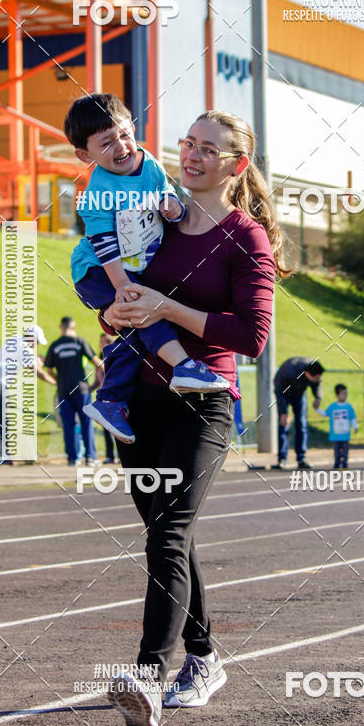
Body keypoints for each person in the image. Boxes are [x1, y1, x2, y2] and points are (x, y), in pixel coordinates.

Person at [100, 109, 286, 726]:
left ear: (235, 165)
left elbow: (252, 337)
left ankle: (148, 676)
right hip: (137, 403)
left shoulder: (245, 237)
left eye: (209, 148)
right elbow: (118, 291)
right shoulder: (157, 219)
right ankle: (204, 659)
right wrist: (118, 313)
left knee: (169, 533)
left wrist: (167, 308)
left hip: (205, 400)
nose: (193, 155)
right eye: (188, 143)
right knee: (166, 536)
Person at [65, 93, 229, 444]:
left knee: (135, 330)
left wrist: (175, 208)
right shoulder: (98, 191)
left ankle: (110, 400)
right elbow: (103, 243)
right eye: (106, 143)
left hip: (130, 267)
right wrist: (123, 284)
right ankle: (182, 366)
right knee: (144, 310)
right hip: (97, 270)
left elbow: (169, 196)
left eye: (124, 133)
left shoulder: (149, 164)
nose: (121, 145)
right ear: (86, 155)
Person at [0, 325, 55, 463]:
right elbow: (36, 371)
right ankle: (0, 455)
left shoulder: (16, 339)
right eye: (36, 342)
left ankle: (3, 454)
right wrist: (53, 382)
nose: (36, 345)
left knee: (3, 419)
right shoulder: (25, 347)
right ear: (32, 338)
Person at [44, 317, 101, 467]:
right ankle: (90, 457)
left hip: (63, 390)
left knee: (68, 426)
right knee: (86, 423)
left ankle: (72, 458)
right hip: (81, 389)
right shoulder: (79, 342)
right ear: (73, 327)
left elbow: (49, 369)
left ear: (61, 327)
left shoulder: (54, 345)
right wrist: (108, 372)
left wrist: (59, 380)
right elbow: (95, 361)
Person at [273, 357, 324, 469]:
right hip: (284, 394)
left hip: (299, 395)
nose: (318, 379)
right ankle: (282, 459)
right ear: (307, 374)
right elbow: (279, 390)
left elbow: (317, 383)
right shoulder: (289, 371)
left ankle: (301, 459)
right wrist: (283, 412)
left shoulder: (314, 369)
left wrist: (318, 398)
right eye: (316, 378)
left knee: (301, 424)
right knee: (284, 424)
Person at [316, 383, 358, 468]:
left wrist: (355, 426)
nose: (344, 395)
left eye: (345, 393)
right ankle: (337, 463)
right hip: (335, 435)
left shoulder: (349, 407)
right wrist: (317, 409)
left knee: (345, 450)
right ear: (337, 395)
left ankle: (344, 463)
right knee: (337, 451)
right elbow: (325, 413)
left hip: (345, 435)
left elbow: (353, 417)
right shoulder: (333, 407)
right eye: (342, 394)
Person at [92, 332, 117, 463]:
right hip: (103, 398)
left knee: (117, 428)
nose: (101, 344)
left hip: (114, 397)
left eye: (104, 342)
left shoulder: (115, 356)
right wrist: (90, 388)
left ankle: (119, 456)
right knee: (106, 428)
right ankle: (110, 456)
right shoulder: (98, 358)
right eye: (100, 342)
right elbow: (98, 381)